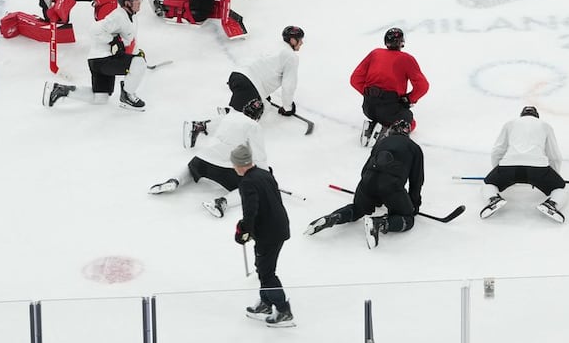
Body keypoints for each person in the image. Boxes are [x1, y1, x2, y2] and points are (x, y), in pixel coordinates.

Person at [303, 120, 424, 247]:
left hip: (368, 181)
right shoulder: (414, 148)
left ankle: (335, 217)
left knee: (357, 208)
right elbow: (417, 180)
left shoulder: (381, 143)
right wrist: (413, 205)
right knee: (408, 219)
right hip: (391, 186)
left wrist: (371, 195)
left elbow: (365, 169)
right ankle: (380, 223)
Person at [148, 98, 269, 217]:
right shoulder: (254, 126)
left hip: (204, 158)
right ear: (258, 117)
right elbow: (259, 155)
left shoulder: (228, 116)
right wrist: (265, 176)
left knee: (191, 169)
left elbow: (208, 127)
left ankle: (174, 181)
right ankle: (222, 203)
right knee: (250, 188)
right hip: (227, 168)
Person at [43, 0, 149, 111]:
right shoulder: (118, 16)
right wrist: (113, 41)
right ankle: (127, 95)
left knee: (100, 98)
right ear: (127, 3)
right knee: (139, 63)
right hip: (103, 60)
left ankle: (60, 90)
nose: (139, 2)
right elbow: (93, 30)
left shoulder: (131, 16)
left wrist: (136, 52)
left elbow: (128, 40)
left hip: (98, 60)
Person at [233, 144, 294, 327]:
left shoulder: (247, 183)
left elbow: (251, 211)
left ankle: (283, 310)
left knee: (267, 272)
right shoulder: (264, 173)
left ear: (240, 165)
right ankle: (266, 303)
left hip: (269, 232)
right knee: (262, 266)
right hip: (278, 227)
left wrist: (243, 230)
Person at [480, 106, 568, 223]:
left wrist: (496, 171)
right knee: (560, 188)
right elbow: (554, 155)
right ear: (537, 116)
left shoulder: (510, 124)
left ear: (521, 115)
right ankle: (552, 204)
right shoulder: (545, 125)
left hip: (509, 166)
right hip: (537, 169)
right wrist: (555, 176)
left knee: (488, 184)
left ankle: (493, 199)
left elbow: (498, 150)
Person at [350, 27, 430, 146]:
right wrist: (408, 99)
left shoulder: (375, 53)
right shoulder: (407, 59)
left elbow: (355, 79)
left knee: (384, 113)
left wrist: (370, 93)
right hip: (390, 109)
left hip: (368, 109)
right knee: (409, 120)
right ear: (402, 42)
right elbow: (423, 86)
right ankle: (389, 132)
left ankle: (373, 125)